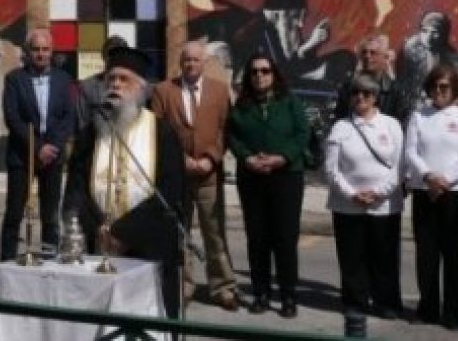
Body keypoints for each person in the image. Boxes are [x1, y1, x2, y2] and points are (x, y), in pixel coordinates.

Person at [64, 46, 186, 317]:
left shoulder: (162, 133)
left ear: (140, 89)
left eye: (124, 79)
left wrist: (123, 232)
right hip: (99, 244)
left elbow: (170, 193)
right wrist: (97, 228)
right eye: (111, 79)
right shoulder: (91, 134)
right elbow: (76, 190)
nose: (115, 85)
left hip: (147, 246)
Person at [151, 40, 240, 311]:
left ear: (204, 63)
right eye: (186, 60)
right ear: (180, 63)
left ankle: (223, 287)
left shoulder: (219, 90)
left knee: (215, 233)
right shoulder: (164, 91)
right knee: (181, 232)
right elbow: (157, 130)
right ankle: (183, 286)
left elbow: (226, 129)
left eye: (196, 60)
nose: (191, 64)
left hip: (209, 174)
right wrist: (182, 160)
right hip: (177, 175)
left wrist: (210, 158)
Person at [225, 53, 310, 318]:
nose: (260, 76)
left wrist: (281, 157)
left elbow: (302, 134)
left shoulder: (290, 102)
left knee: (285, 239)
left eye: (265, 71)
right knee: (258, 238)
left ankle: (288, 296)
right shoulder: (241, 105)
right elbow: (231, 135)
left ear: (274, 74)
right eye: (254, 72)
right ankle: (261, 294)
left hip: (286, 177)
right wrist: (247, 157)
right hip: (252, 179)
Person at [324, 72, 405, 319]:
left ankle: (386, 302)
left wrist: (378, 193)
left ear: (375, 97)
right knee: (352, 256)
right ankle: (355, 302)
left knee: (385, 256)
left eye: (367, 93)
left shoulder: (391, 124)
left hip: (384, 205)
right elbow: (330, 168)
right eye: (356, 93)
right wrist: (351, 194)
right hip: (348, 205)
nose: (361, 97)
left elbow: (400, 166)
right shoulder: (341, 127)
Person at [402, 63, 458, 329]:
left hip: (453, 193)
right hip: (424, 191)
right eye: (434, 86)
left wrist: (445, 180)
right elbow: (411, 152)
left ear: (454, 88)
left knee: (452, 254)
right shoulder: (418, 115)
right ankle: (428, 308)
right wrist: (428, 176)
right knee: (426, 253)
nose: (438, 91)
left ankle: (455, 312)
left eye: (444, 86)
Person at [0, 28, 74, 261]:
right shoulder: (14, 79)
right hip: (22, 156)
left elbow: (67, 118)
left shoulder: (64, 80)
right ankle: (6, 263)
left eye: (45, 49)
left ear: (51, 52)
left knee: (50, 215)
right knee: (14, 213)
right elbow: (13, 118)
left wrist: (52, 146)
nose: (41, 54)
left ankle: (49, 261)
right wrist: (37, 147)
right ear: (27, 52)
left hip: (52, 157)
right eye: (36, 49)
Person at [333, 35, 413, 125]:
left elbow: (401, 123)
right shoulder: (348, 87)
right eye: (364, 52)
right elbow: (339, 119)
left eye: (373, 53)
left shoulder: (395, 91)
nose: (367, 56)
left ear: (384, 57)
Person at [74, 35, 129, 134]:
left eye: (119, 55)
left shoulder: (138, 88)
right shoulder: (87, 87)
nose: (115, 59)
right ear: (103, 57)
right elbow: (82, 126)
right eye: (110, 55)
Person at [399, 13, 454, 103]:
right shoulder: (410, 51)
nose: (428, 37)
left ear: (443, 34)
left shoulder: (450, 56)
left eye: (435, 32)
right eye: (425, 31)